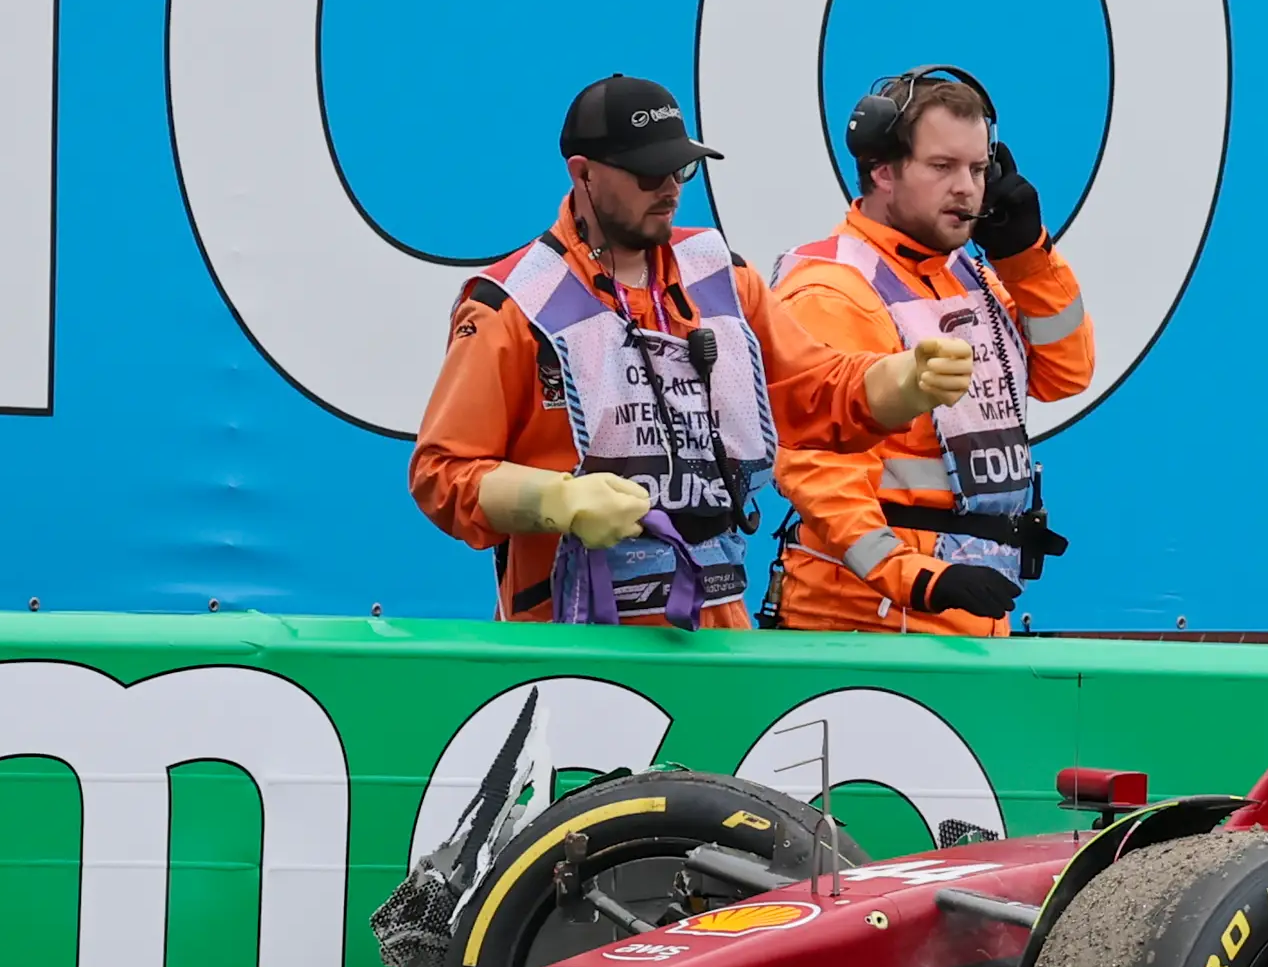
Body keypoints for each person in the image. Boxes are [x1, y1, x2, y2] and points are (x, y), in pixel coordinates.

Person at [409, 74, 971, 629]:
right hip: (570, 641)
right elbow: (441, 473)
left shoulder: (724, 277)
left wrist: (902, 381)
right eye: (649, 172)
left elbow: (812, 391)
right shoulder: (513, 304)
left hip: (715, 635)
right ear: (582, 174)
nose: (671, 187)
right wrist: (555, 500)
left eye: (682, 167)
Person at [767, 67, 1094, 635]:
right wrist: (916, 578)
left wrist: (1027, 258)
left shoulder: (968, 273)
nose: (967, 188)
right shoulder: (833, 290)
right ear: (882, 171)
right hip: (862, 622)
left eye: (977, 168)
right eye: (942, 167)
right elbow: (818, 470)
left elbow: (1065, 375)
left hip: (962, 613)